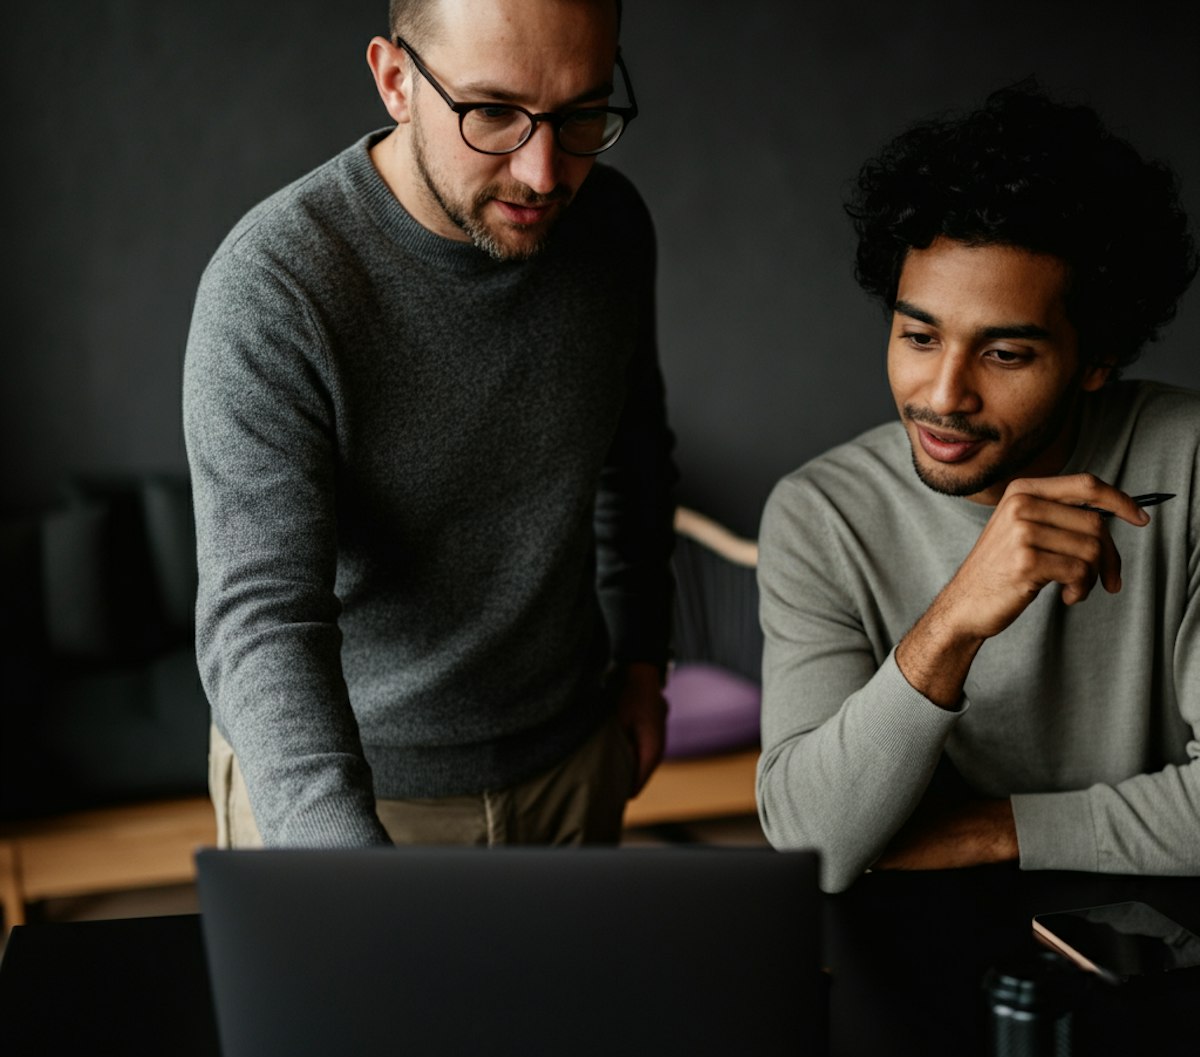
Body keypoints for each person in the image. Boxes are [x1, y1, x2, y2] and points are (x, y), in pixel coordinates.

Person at [182, 0, 676, 849]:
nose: (545, 171)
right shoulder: (274, 288)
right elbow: (261, 619)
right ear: (396, 80)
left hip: (569, 763)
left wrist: (642, 660)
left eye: (583, 113)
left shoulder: (611, 225)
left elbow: (633, 458)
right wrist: (343, 863)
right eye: (492, 112)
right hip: (349, 797)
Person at [756, 82, 1199, 893]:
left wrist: (1002, 831)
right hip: (919, 953)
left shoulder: (1191, 462)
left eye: (1005, 354)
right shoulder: (820, 515)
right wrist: (956, 619)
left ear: (1097, 359)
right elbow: (810, 843)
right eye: (919, 336)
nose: (944, 394)